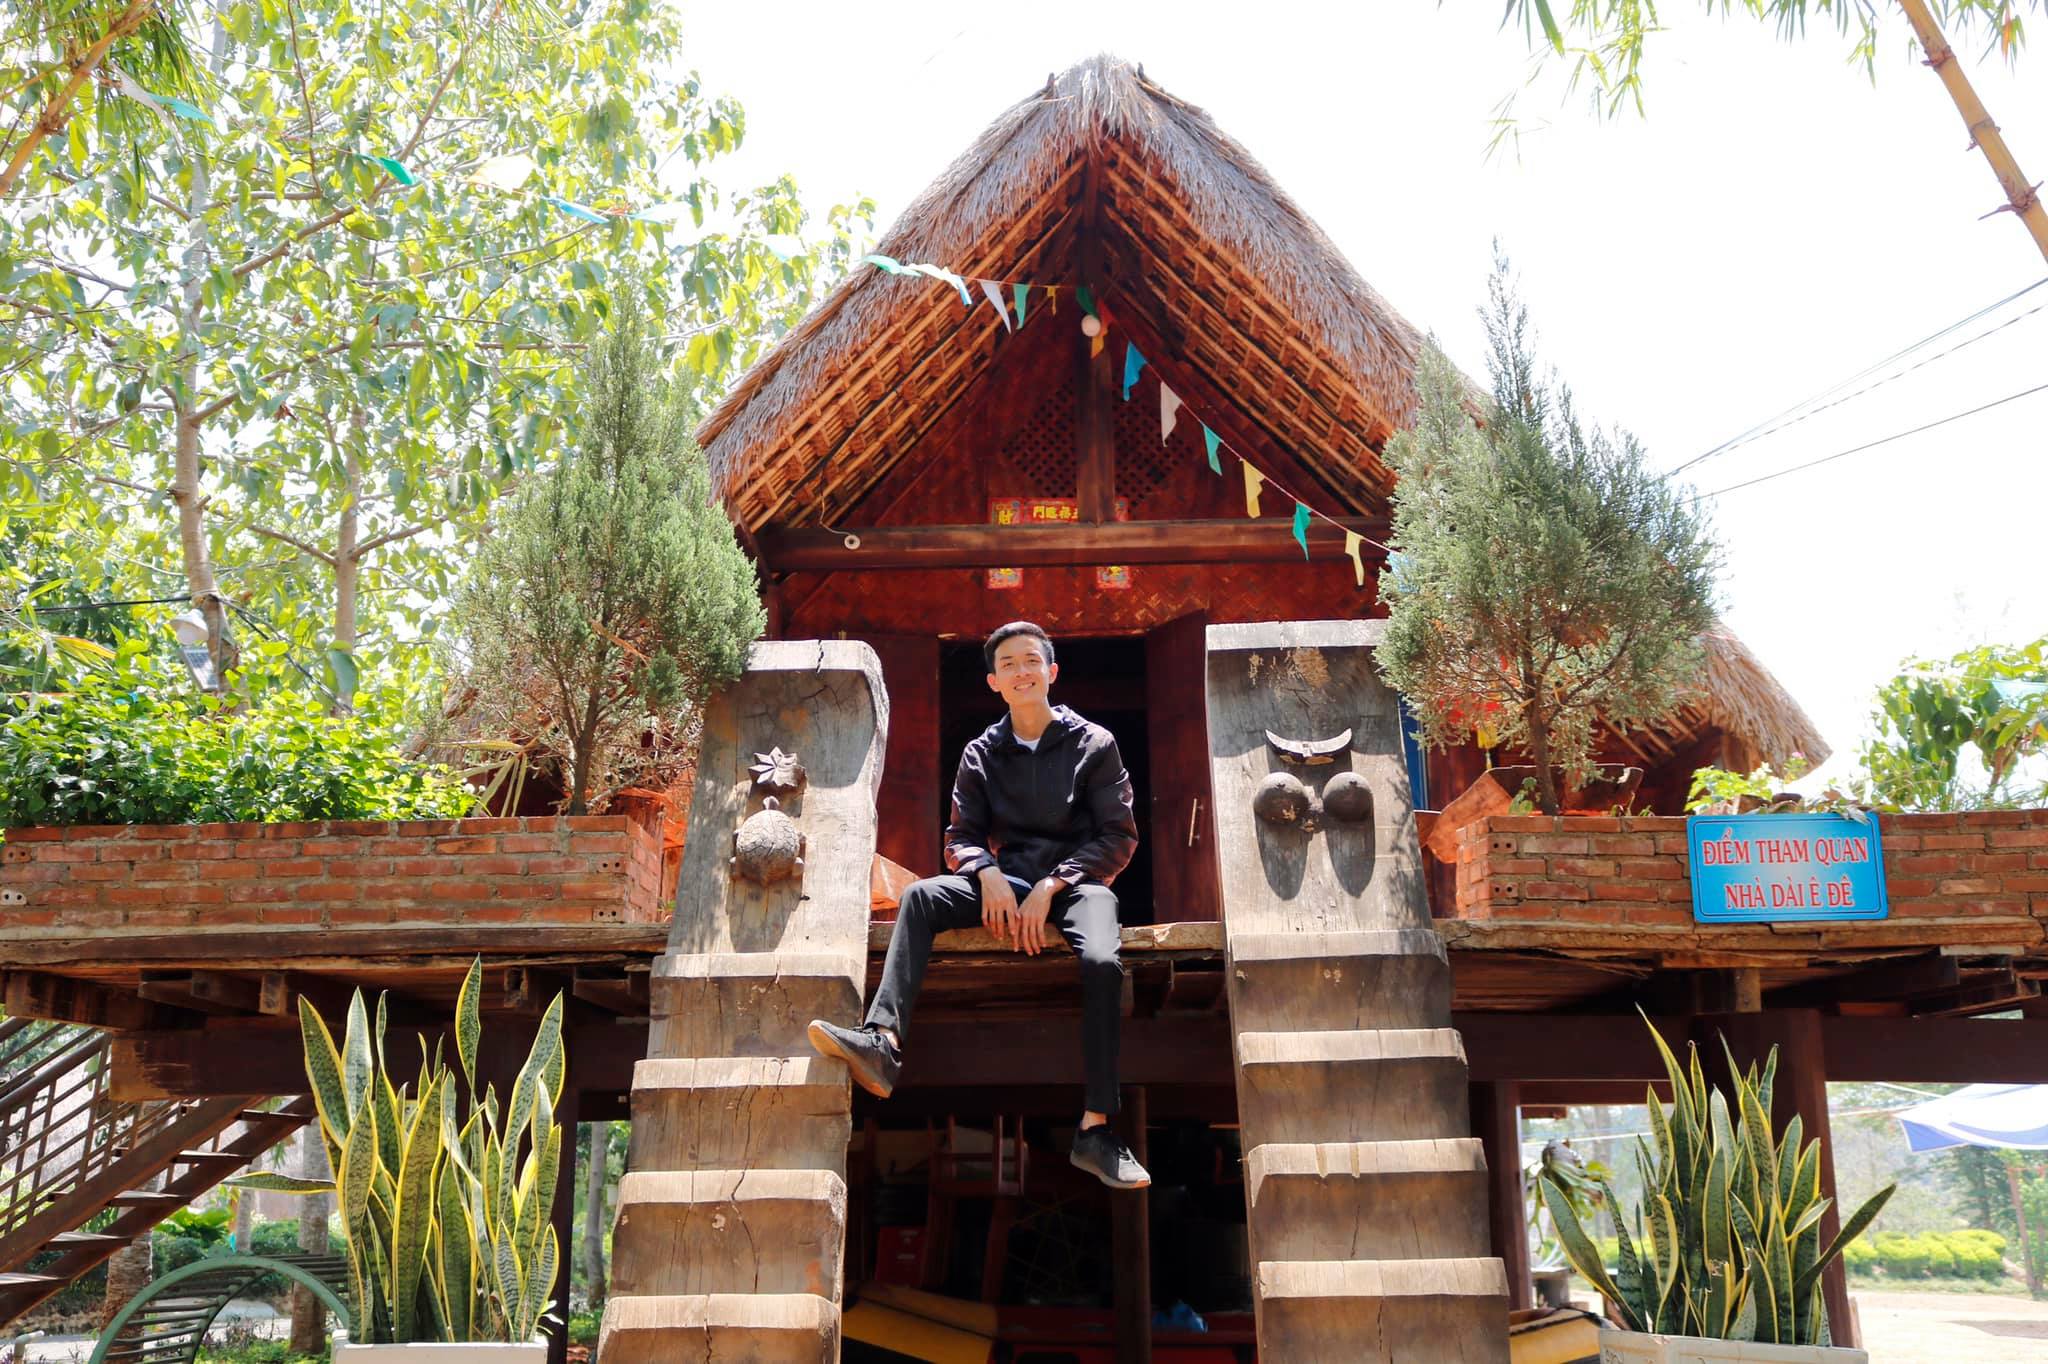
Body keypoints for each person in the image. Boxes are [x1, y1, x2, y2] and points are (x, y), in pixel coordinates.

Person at [807, 621, 1151, 1189]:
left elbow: (1118, 836)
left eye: (1031, 661)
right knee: (921, 897)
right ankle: (882, 1043)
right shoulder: (981, 752)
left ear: (1052, 672)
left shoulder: (1095, 743)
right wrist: (987, 873)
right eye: (1008, 664)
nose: (1021, 672)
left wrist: (1053, 885)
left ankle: (1096, 1128)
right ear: (994, 681)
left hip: (1076, 885)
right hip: (1007, 881)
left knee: (1100, 961)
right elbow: (961, 836)